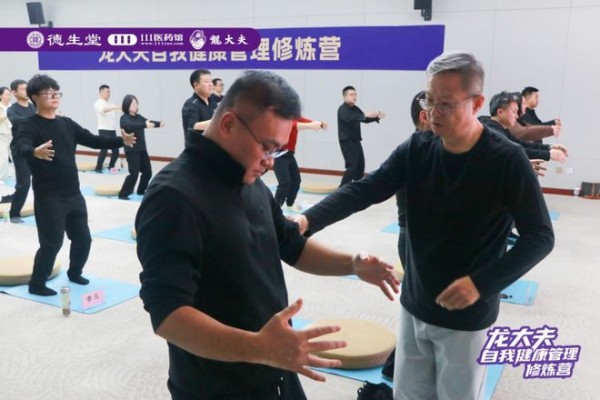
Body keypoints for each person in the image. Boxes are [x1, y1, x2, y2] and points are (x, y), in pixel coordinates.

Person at [293, 52, 554, 399]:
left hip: (467, 318)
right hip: (415, 304)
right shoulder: (418, 147)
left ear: (476, 103)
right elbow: (365, 190)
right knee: (407, 394)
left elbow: (540, 237)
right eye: (430, 101)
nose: (433, 113)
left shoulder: (506, 160)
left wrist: (481, 284)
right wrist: (307, 220)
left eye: (446, 104)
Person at [135, 70, 399, 399]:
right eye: (267, 147)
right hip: (217, 386)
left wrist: (352, 265)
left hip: (276, 366)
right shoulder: (173, 197)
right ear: (228, 124)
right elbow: (168, 316)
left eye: (277, 151)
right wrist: (258, 348)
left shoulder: (249, 179)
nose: (270, 163)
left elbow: (290, 243)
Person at [14, 74, 136, 296]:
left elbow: (94, 140)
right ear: (35, 97)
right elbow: (19, 147)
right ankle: (36, 283)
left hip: (73, 194)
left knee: (83, 239)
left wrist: (122, 140)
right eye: (48, 93)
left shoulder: (66, 124)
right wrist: (33, 152)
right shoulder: (29, 125)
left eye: (56, 92)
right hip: (49, 196)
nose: (54, 96)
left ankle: (75, 272)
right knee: (52, 243)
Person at [479, 91, 569, 163]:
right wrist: (548, 154)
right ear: (500, 112)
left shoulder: (503, 129)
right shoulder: (492, 131)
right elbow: (514, 149)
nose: (516, 116)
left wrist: (550, 147)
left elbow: (521, 145)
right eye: (514, 112)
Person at [274, 117, 327, 211]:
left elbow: (310, 122)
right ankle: (275, 209)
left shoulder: (295, 116)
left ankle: (290, 204)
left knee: (296, 181)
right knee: (284, 183)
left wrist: (321, 125)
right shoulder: (282, 117)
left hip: (289, 154)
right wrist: (310, 126)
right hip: (279, 155)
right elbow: (293, 125)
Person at [118, 94, 164, 200]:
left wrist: (159, 124)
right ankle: (123, 194)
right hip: (131, 150)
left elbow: (148, 122)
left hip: (142, 149)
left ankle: (141, 190)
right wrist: (144, 125)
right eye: (133, 103)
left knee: (147, 172)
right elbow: (130, 126)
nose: (135, 105)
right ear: (127, 105)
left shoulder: (139, 117)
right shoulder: (124, 118)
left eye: (136, 103)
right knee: (134, 174)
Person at [337, 86, 385, 187]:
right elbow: (349, 118)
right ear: (344, 97)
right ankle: (341, 190)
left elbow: (364, 119)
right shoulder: (342, 109)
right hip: (347, 141)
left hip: (356, 141)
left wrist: (376, 117)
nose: (354, 96)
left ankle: (356, 189)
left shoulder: (355, 109)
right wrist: (364, 115)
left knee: (360, 166)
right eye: (351, 94)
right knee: (352, 167)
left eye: (355, 94)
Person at [6, 79, 36, 222]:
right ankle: (14, 213)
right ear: (14, 92)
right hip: (20, 151)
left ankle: (43, 209)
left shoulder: (34, 107)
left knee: (43, 182)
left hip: (36, 149)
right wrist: (35, 120)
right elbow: (16, 120)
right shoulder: (12, 109)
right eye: (23, 89)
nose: (27, 91)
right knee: (24, 184)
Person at [94, 84, 121, 172]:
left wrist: (126, 107)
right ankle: (98, 168)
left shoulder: (111, 104)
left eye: (109, 92)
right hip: (103, 130)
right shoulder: (98, 103)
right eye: (107, 92)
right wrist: (114, 107)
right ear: (101, 92)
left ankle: (111, 167)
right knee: (104, 150)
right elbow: (104, 110)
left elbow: (119, 110)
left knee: (116, 151)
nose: (109, 94)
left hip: (112, 130)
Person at [181, 69, 215, 139]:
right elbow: (193, 125)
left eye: (211, 81)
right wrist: (217, 122)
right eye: (207, 81)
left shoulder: (213, 103)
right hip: (197, 145)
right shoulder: (191, 104)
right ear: (196, 85)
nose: (211, 84)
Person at [0, 86, 12, 187]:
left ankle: (6, 175)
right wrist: (8, 114)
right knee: (3, 156)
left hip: (12, 133)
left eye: (9, 94)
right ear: (1, 96)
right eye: (6, 94)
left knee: (13, 155)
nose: (9, 96)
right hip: (1, 134)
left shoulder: (12, 106)